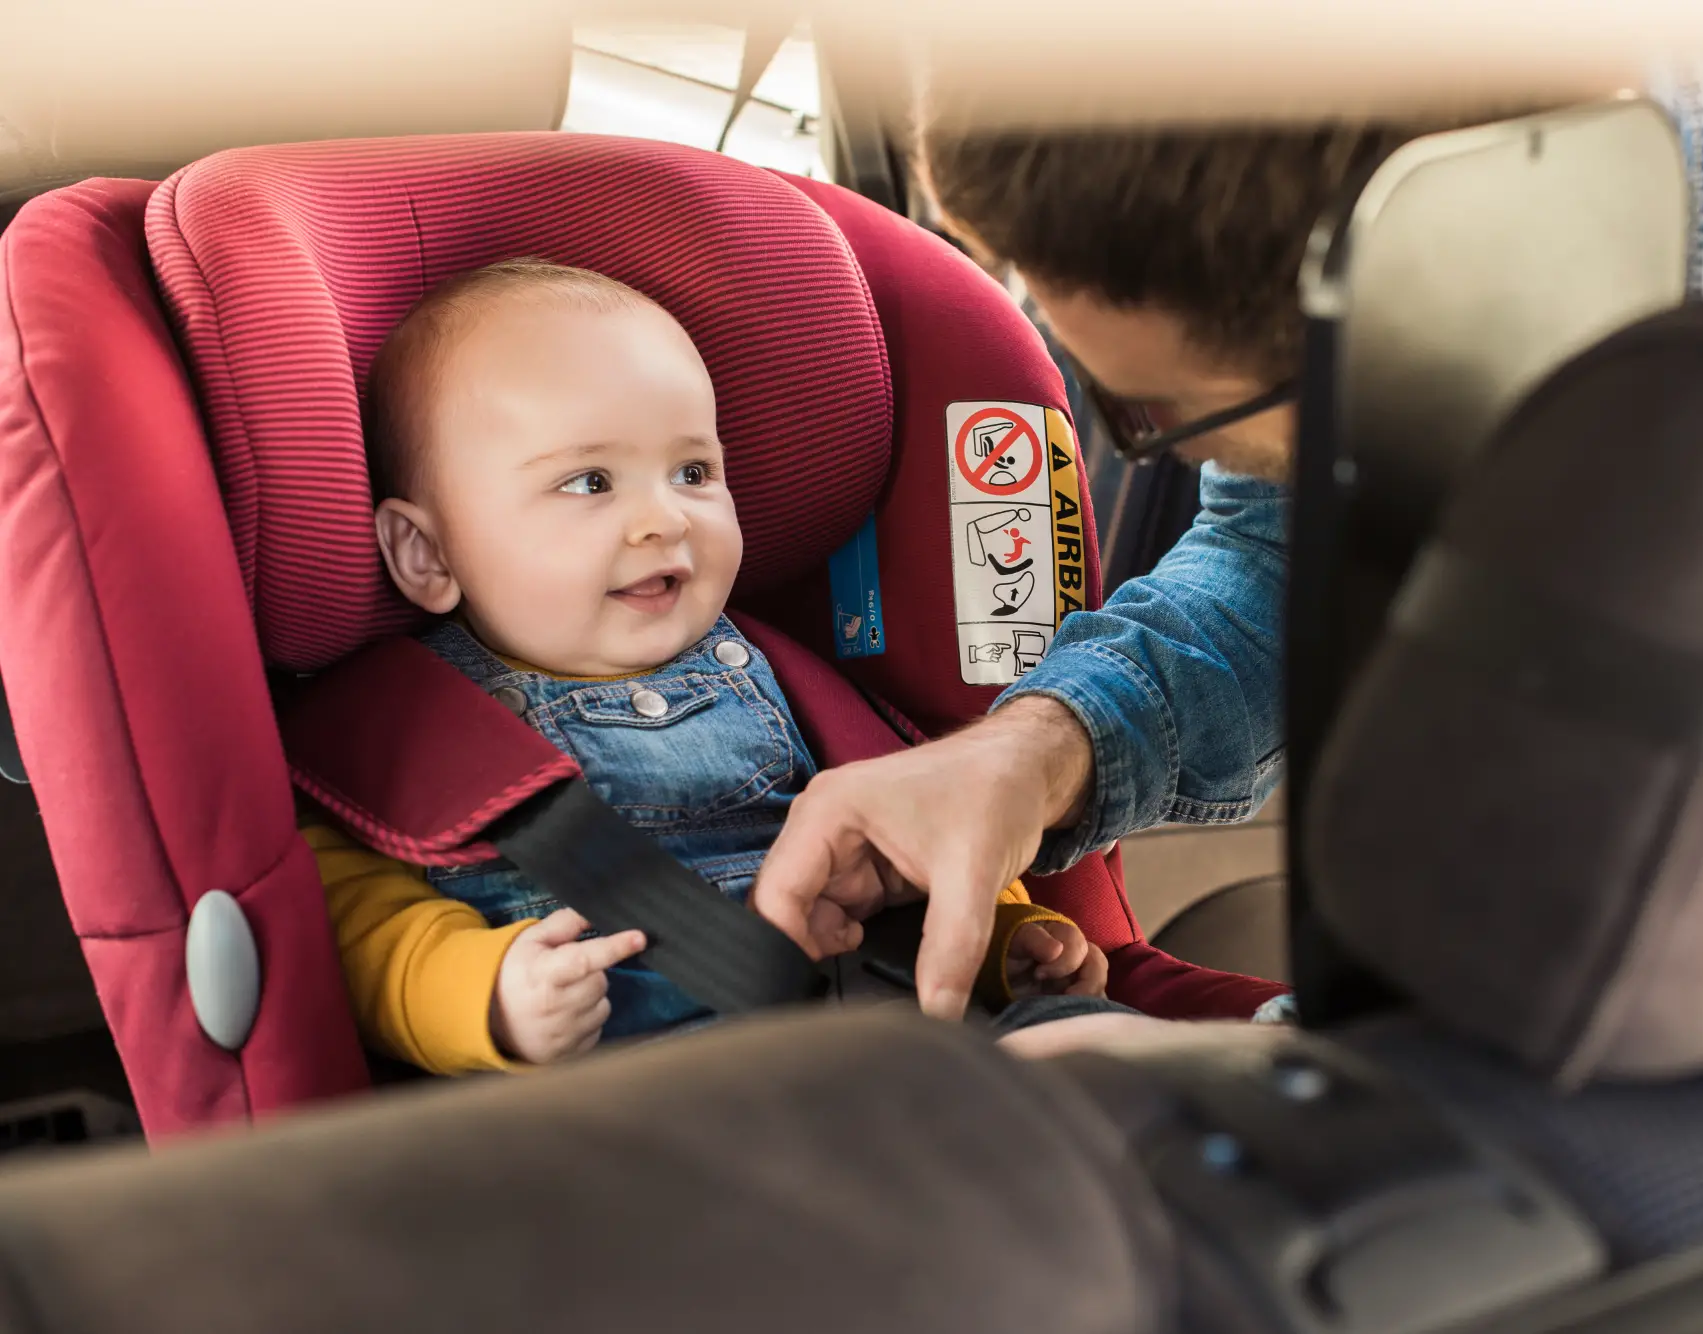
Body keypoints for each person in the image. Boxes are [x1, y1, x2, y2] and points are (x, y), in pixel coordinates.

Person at [752, 67, 1703, 1023]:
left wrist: (1279, 1069)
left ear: (1417, 293)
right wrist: (1034, 748)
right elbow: (1274, 552)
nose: (1142, 448)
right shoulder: (1431, 222)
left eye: (1153, 414)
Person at [302, 259, 1116, 1073]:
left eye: (693, 472)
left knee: (1105, 1057)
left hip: (888, 1042)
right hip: (652, 1097)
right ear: (427, 553)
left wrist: (1001, 941)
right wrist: (487, 997)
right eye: (589, 482)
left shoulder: (796, 675)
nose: (664, 518)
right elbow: (358, 930)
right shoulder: (401, 732)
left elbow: (913, 827)